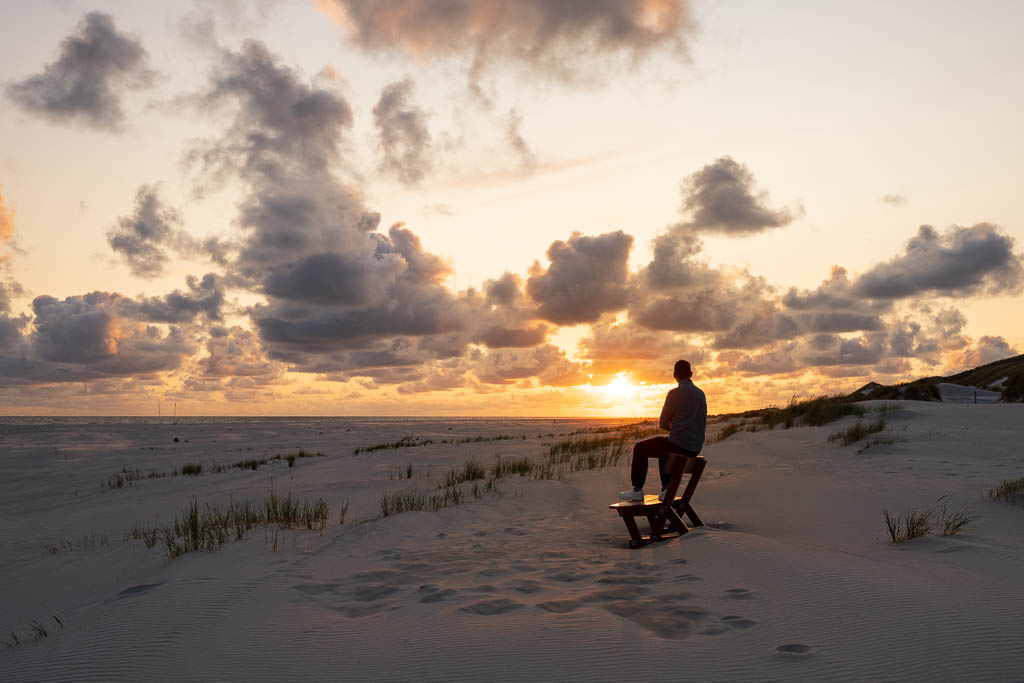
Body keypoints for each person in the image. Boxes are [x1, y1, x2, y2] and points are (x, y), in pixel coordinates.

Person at [619, 359, 707, 501]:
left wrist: (672, 426)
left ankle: (637, 489)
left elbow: (663, 422)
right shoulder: (700, 394)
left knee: (641, 448)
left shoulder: (674, 393)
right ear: (691, 374)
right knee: (664, 447)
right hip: (695, 448)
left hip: (679, 445)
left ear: (674, 375)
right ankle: (666, 488)